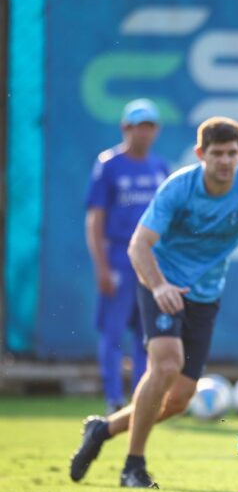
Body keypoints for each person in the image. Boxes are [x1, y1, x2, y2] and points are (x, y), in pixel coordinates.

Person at [69, 117, 238, 488]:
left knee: (180, 400)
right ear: (201, 154)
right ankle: (132, 466)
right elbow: (139, 245)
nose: (225, 161)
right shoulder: (178, 188)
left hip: (205, 296)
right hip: (161, 285)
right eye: (217, 153)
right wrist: (159, 286)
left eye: (233, 153)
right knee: (164, 366)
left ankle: (103, 430)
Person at [85, 99, 169, 413]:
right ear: (125, 128)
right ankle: (113, 399)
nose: (143, 133)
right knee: (113, 331)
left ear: (156, 130)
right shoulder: (108, 165)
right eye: (137, 126)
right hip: (119, 257)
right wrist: (102, 266)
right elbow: (95, 218)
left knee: (147, 335)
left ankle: (140, 399)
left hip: (151, 261)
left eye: (149, 126)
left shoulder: (160, 168)